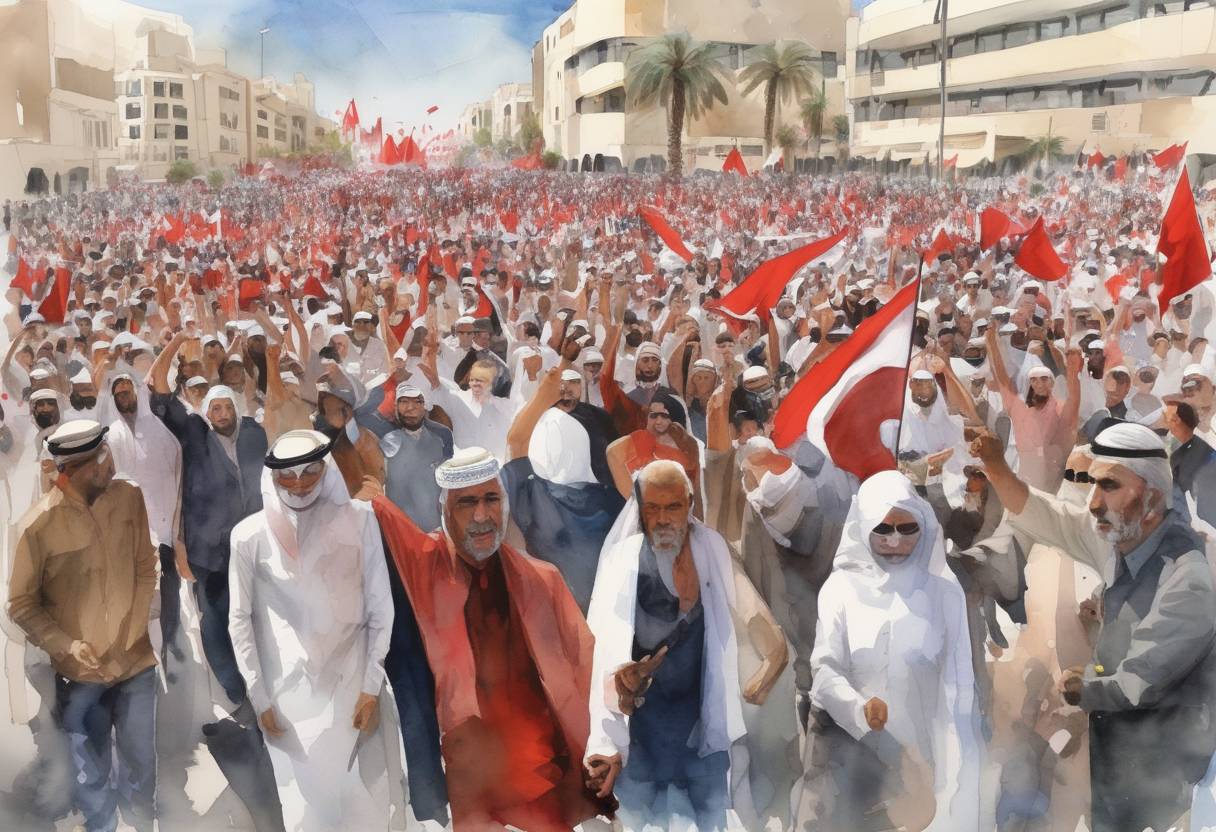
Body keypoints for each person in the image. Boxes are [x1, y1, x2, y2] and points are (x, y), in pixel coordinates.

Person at [972, 421, 1216, 832]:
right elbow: (1047, 515)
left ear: (1152, 495)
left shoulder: (1187, 576)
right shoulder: (1123, 534)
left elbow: (1139, 681)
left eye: (1108, 486)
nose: (1093, 502)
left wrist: (1080, 685)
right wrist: (996, 468)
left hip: (1170, 778)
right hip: (1117, 760)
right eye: (1091, 485)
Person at [372, 447, 613, 830]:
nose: (482, 516)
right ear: (445, 511)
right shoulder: (425, 568)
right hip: (472, 785)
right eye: (467, 504)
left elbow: (587, 663)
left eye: (491, 500)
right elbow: (378, 510)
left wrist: (605, 743)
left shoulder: (542, 579)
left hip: (545, 774)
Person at [585, 460, 785, 831]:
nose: (663, 519)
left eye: (673, 506)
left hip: (699, 723)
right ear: (640, 509)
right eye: (653, 508)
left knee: (711, 819)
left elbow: (748, 606)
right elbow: (600, 648)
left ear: (689, 504)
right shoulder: (621, 561)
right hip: (641, 729)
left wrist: (773, 658)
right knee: (635, 819)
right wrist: (619, 687)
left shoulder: (711, 548)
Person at [228, 430, 398, 831]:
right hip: (287, 696)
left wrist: (371, 686)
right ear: (272, 479)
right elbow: (240, 619)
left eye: (310, 472)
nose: (300, 484)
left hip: (352, 685)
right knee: (303, 809)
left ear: (327, 470)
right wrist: (259, 695)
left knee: (359, 797)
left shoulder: (361, 520)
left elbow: (380, 606)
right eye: (287, 476)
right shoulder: (249, 536)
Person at [806, 470, 983, 832]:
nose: (895, 541)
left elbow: (958, 692)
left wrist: (955, 779)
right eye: (883, 529)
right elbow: (824, 673)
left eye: (907, 529)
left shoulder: (945, 596)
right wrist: (860, 711)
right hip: (848, 762)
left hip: (917, 772)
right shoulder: (840, 589)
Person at [8, 420, 159, 832]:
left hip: (136, 666)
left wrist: (131, 634)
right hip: (80, 677)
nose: (109, 464)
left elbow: (147, 569)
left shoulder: (129, 497)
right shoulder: (35, 526)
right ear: (76, 469)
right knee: (89, 773)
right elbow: (20, 604)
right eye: (101, 459)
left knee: (141, 766)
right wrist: (66, 646)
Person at [150, 331, 268, 706]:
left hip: (251, 545)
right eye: (214, 409)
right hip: (209, 551)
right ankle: (234, 688)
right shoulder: (195, 434)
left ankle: (262, 680)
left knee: (254, 615)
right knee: (216, 621)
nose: (220, 414)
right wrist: (176, 343)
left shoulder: (253, 434)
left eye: (226, 408)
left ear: (235, 408)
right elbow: (159, 389)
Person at [107, 373, 185, 660]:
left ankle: (171, 637)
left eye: (128, 391)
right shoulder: (112, 434)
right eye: (120, 394)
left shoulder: (158, 428)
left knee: (169, 582)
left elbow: (177, 462)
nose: (125, 397)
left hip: (164, 520)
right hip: (132, 525)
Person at [380, 382, 453, 531]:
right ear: (396, 406)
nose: (410, 408)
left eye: (417, 402)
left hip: (437, 529)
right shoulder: (383, 437)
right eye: (404, 402)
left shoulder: (442, 435)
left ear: (425, 406)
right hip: (399, 531)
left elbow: (450, 483)